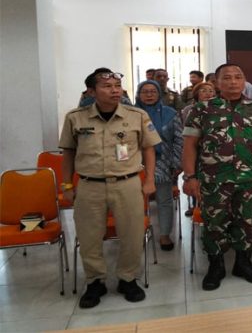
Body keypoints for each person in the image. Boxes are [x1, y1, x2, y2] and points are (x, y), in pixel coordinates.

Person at [59, 69, 160, 308]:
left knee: (132, 234)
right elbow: (68, 153)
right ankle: (95, 281)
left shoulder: (137, 115)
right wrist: (66, 184)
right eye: (107, 86)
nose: (115, 90)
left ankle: (128, 278)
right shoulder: (75, 118)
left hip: (127, 183)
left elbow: (148, 148)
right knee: (89, 237)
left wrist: (149, 180)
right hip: (89, 185)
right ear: (91, 92)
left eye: (117, 86)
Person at [181, 63, 252, 291]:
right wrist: (190, 177)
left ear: (244, 81)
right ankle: (216, 266)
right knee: (214, 222)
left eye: (238, 77)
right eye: (227, 77)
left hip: (250, 177)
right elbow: (190, 145)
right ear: (217, 82)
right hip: (214, 179)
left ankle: (243, 263)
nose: (233, 82)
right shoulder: (201, 109)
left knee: (248, 220)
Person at [135, 80, 183, 250]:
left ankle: (164, 235)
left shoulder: (170, 113)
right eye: (145, 92)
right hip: (135, 164)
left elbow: (179, 139)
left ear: (159, 94)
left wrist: (177, 163)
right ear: (138, 95)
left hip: (164, 162)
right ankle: (136, 233)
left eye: (153, 91)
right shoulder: (131, 114)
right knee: (134, 202)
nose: (149, 95)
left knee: (164, 200)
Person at [180, 81, 217, 217]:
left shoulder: (219, 109)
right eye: (204, 91)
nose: (208, 93)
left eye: (211, 91)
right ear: (196, 94)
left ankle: (206, 205)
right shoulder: (189, 109)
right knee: (194, 175)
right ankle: (195, 204)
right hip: (195, 147)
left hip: (211, 151)